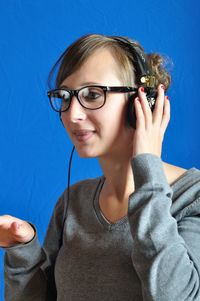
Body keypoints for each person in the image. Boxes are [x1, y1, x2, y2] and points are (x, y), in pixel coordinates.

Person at [1, 34, 200, 301]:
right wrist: (23, 251)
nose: (72, 114)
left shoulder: (193, 196)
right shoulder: (74, 201)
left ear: (143, 102)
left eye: (93, 94)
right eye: (64, 97)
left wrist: (147, 168)